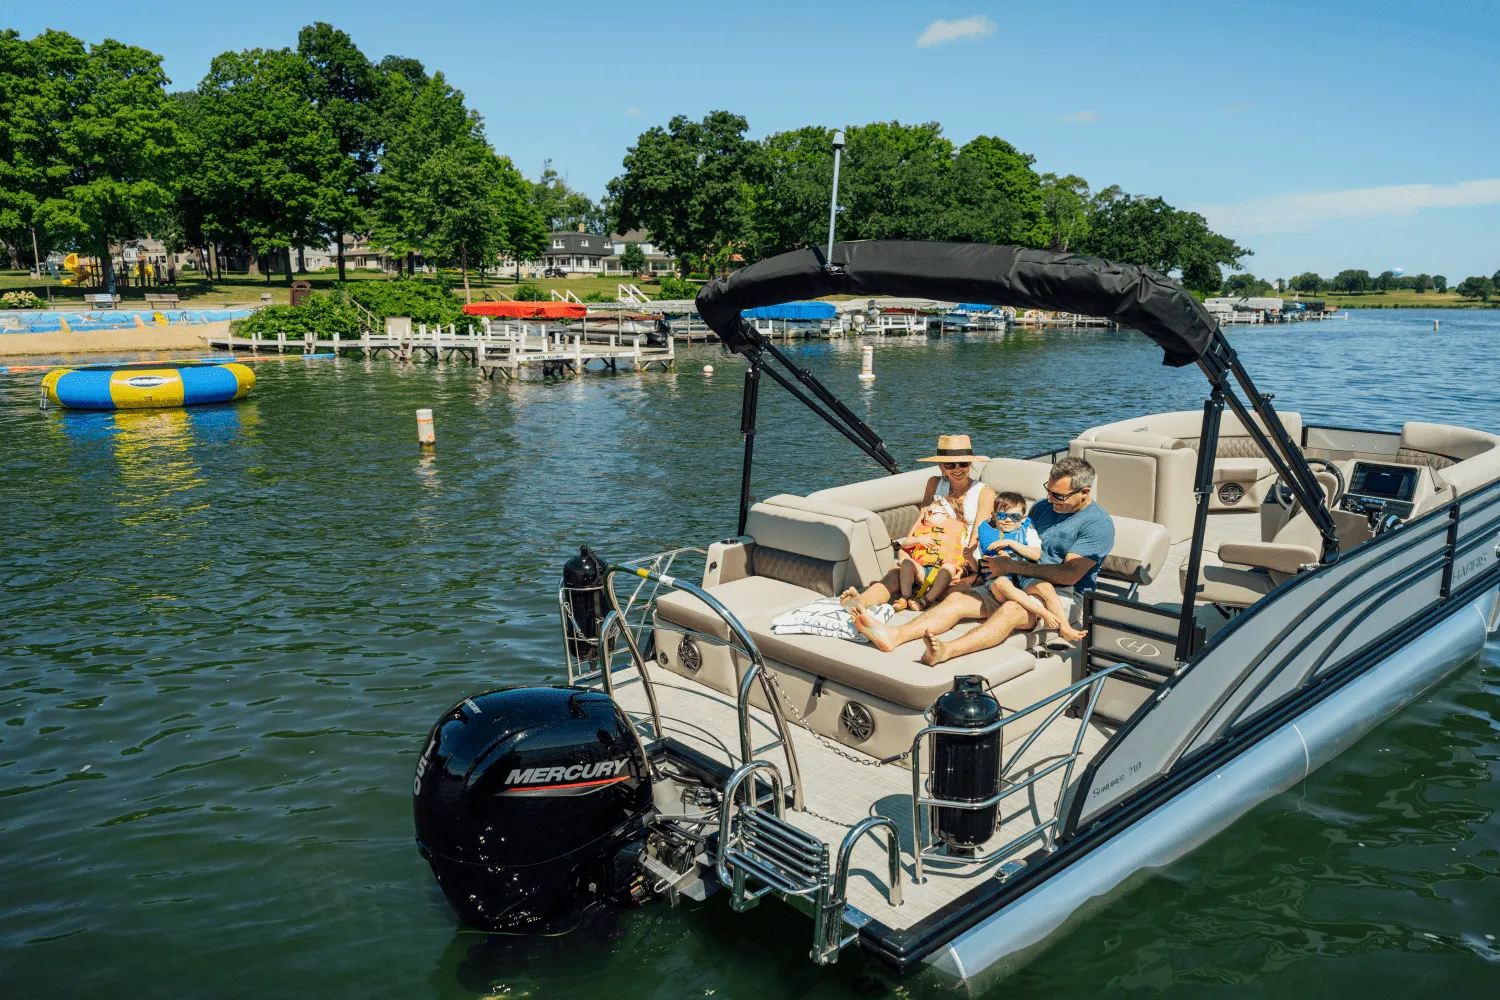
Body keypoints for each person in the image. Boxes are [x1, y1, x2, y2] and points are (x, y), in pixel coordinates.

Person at [855, 457, 1114, 665]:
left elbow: (1070, 574)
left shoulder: (1097, 525)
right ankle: (894, 635)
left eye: (1059, 496)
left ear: (1084, 492)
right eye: (1049, 491)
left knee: (1011, 610)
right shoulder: (1044, 507)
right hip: (1016, 577)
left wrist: (1014, 566)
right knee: (956, 600)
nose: (1050, 500)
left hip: (1063, 594)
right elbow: (1018, 538)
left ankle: (946, 651)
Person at [839, 434, 995, 615]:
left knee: (953, 590)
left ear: (970, 464)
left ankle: (921, 596)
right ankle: (859, 602)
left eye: (963, 464)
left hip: (960, 561)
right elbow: (921, 521)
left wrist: (965, 568)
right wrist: (905, 551)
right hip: (927, 554)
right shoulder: (934, 483)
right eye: (950, 465)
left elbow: (977, 536)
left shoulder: (984, 493)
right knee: (896, 573)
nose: (958, 469)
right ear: (941, 466)